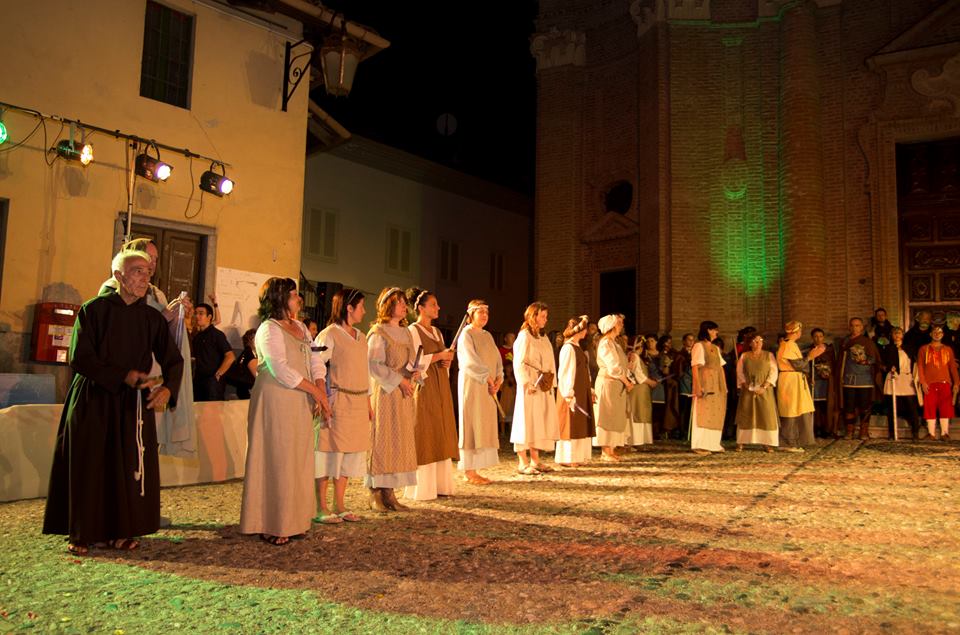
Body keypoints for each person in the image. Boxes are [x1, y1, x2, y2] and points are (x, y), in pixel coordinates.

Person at [44, 249, 183, 554]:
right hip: (93, 398)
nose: (145, 277)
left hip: (131, 405)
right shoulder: (93, 310)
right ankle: (83, 533)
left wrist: (169, 388)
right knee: (90, 464)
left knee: (125, 467)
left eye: (148, 272)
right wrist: (123, 375)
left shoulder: (151, 318)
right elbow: (80, 358)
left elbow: (173, 359)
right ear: (119, 276)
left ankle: (122, 530)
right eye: (137, 271)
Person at [239, 277, 329, 545]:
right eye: (293, 294)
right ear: (279, 298)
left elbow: (315, 358)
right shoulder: (268, 329)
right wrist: (315, 392)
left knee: (296, 458)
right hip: (276, 398)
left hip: (299, 398)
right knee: (277, 458)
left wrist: (320, 385)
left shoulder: (301, 327)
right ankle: (272, 523)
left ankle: (295, 520)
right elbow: (279, 368)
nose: (298, 299)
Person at [99, 237, 195, 458]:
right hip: (122, 372)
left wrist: (177, 318)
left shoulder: (155, 292)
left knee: (143, 436)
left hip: (151, 370)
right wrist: (163, 316)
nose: (152, 264)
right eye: (148, 257)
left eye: (155, 259)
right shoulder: (111, 290)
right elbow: (117, 328)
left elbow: (160, 334)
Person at [312, 287, 372, 522]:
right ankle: (321, 507)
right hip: (338, 401)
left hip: (357, 401)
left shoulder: (362, 337)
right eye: (361, 306)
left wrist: (368, 401)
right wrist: (321, 397)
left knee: (348, 456)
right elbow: (316, 364)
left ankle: (340, 505)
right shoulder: (330, 334)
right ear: (349, 307)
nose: (364, 311)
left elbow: (364, 372)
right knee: (329, 455)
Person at [366, 287, 420, 511]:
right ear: (388, 305)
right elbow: (374, 365)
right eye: (398, 302)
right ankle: (375, 492)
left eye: (403, 302)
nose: (403, 306)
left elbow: (410, 360)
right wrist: (399, 380)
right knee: (383, 440)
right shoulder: (379, 332)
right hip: (387, 393)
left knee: (399, 442)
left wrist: (415, 373)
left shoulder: (406, 332)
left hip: (404, 394)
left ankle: (390, 492)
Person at [403, 287, 459, 501]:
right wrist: (438, 357)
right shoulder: (413, 331)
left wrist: (446, 359)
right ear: (421, 308)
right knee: (425, 429)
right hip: (424, 386)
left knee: (440, 428)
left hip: (440, 385)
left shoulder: (436, 332)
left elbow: (441, 357)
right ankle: (422, 487)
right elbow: (415, 362)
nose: (438, 308)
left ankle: (440, 484)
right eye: (433, 304)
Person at [457, 299, 504, 484]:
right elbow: (470, 361)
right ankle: (469, 471)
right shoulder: (466, 335)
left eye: (486, 312)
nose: (484, 316)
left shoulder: (488, 335)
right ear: (471, 315)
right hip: (474, 385)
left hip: (488, 386)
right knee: (472, 422)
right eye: (480, 312)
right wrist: (487, 377)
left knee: (483, 423)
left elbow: (497, 359)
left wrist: (498, 378)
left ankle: (476, 468)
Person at [511, 301, 559, 473]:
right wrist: (526, 383)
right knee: (526, 420)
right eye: (543, 316)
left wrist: (552, 383)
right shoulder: (524, 336)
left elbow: (551, 362)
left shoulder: (543, 337)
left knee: (539, 421)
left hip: (543, 384)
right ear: (533, 316)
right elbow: (518, 362)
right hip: (530, 383)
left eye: (546, 316)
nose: (546, 319)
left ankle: (535, 460)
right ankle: (522, 461)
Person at [776, 321, 824, 451]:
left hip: (795, 380)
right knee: (791, 409)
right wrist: (810, 357)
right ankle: (788, 442)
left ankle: (795, 441)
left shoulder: (791, 344)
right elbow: (797, 365)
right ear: (797, 332)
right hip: (790, 381)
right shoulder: (788, 345)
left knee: (799, 408)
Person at [592, 314, 633, 461]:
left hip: (617, 384)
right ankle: (605, 450)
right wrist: (626, 381)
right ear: (611, 326)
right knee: (607, 415)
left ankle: (612, 448)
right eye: (618, 323)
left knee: (615, 416)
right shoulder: (605, 344)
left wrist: (628, 378)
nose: (621, 325)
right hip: (608, 383)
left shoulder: (615, 343)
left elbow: (622, 364)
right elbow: (613, 367)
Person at [555, 316, 595, 466]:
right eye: (584, 328)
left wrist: (589, 389)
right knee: (571, 424)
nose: (586, 332)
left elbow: (584, 372)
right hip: (570, 392)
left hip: (580, 390)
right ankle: (568, 457)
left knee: (580, 424)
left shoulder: (578, 348)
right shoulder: (568, 348)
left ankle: (578, 456)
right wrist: (568, 394)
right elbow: (565, 372)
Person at [735, 333, 779, 452]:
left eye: (760, 340)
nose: (758, 343)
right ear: (750, 343)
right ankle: (742, 441)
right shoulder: (744, 356)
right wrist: (745, 384)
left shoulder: (769, 355)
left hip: (765, 390)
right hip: (748, 390)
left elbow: (774, 371)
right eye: (755, 341)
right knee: (746, 414)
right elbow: (739, 372)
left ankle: (767, 442)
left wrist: (765, 386)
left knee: (766, 415)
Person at [838, 317, 881, 440]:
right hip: (848, 379)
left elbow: (874, 360)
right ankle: (849, 431)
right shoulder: (845, 342)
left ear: (862, 327)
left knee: (865, 407)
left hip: (864, 380)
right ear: (849, 327)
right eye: (852, 325)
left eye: (857, 325)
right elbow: (841, 361)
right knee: (849, 406)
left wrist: (864, 361)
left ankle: (864, 431)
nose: (854, 328)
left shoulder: (868, 342)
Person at [916, 324, 959, 441]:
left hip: (945, 383)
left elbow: (953, 368)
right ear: (930, 334)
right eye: (934, 332)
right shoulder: (923, 349)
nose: (937, 334)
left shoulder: (948, 349)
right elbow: (920, 367)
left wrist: (956, 383)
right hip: (929, 383)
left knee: (945, 407)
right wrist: (923, 382)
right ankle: (931, 434)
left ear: (943, 335)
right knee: (930, 407)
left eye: (939, 332)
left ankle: (945, 433)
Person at [690, 321, 726, 455]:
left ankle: (713, 443)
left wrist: (724, 386)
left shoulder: (715, 348)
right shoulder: (699, 346)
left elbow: (720, 367)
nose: (717, 332)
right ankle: (700, 445)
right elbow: (695, 367)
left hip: (717, 383)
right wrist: (698, 386)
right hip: (705, 381)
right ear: (708, 330)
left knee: (716, 413)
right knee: (703, 413)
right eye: (715, 330)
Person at [881, 327, 921, 441]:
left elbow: (915, 362)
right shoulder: (888, 348)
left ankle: (915, 432)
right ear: (891, 335)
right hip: (893, 378)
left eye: (899, 333)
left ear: (903, 335)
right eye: (894, 333)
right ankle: (892, 432)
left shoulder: (909, 348)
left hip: (906, 378)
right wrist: (889, 367)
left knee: (911, 406)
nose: (897, 335)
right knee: (892, 407)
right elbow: (883, 364)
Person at [191, 302, 235, 401]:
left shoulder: (217, 335)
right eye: (195, 313)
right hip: (198, 381)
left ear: (209, 317)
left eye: (201, 313)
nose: (197, 316)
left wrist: (218, 375)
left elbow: (230, 356)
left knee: (213, 414)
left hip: (212, 383)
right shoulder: (197, 337)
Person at [805, 328, 838, 438]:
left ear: (823, 337)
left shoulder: (829, 350)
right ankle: (816, 428)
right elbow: (806, 365)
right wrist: (809, 377)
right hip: (814, 381)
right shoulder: (810, 350)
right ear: (812, 338)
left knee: (826, 405)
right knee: (815, 405)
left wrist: (827, 372)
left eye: (820, 336)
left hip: (826, 382)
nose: (818, 338)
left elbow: (833, 364)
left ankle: (827, 428)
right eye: (815, 336)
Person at [627, 335, 659, 447]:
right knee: (638, 413)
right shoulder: (634, 356)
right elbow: (638, 374)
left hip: (643, 390)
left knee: (643, 413)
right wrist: (651, 382)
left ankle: (641, 440)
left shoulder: (636, 357)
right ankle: (636, 440)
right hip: (638, 390)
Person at [671, 333, 696, 440]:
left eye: (692, 340)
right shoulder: (680, 354)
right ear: (684, 341)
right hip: (684, 383)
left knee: (692, 409)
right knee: (683, 409)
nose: (691, 342)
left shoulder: (695, 353)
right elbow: (678, 369)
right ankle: (682, 431)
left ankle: (690, 430)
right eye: (689, 340)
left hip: (693, 383)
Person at [224, 328, 258, 399]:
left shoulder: (246, 353)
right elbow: (257, 374)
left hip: (242, 389)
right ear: (251, 340)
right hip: (247, 390)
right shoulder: (249, 353)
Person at [497, 332, 517, 428]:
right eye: (510, 337)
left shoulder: (516, 350)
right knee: (503, 402)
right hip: (503, 379)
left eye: (514, 337)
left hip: (514, 380)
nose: (513, 339)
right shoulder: (500, 350)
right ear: (505, 338)